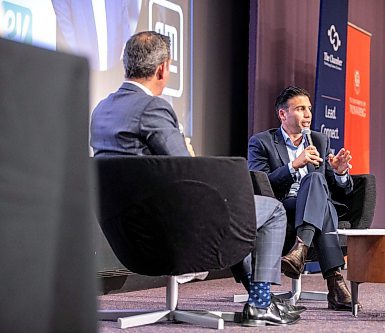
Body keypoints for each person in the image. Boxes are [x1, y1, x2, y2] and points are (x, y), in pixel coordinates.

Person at [90, 31, 302, 326]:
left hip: (128, 236)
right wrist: (188, 150)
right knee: (273, 210)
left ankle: (260, 300)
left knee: (234, 210)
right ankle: (261, 301)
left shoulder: (101, 110)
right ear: (163, 68)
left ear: (126, 64)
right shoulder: (153, 108)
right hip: (171, 232)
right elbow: (187, 172)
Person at [247, 86, 361, 311]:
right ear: (283, 114)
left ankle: (300, 249)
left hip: (317, 203)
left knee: (316, 182)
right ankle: (335, 281)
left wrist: (339, 172)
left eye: (309, 108)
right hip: (284, 206)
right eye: (300, 109)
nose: (308, 114)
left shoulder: (319, 140)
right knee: (318, 194)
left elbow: (340, 189)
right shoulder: (262, 142)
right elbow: (259, 182)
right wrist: (293, 166)